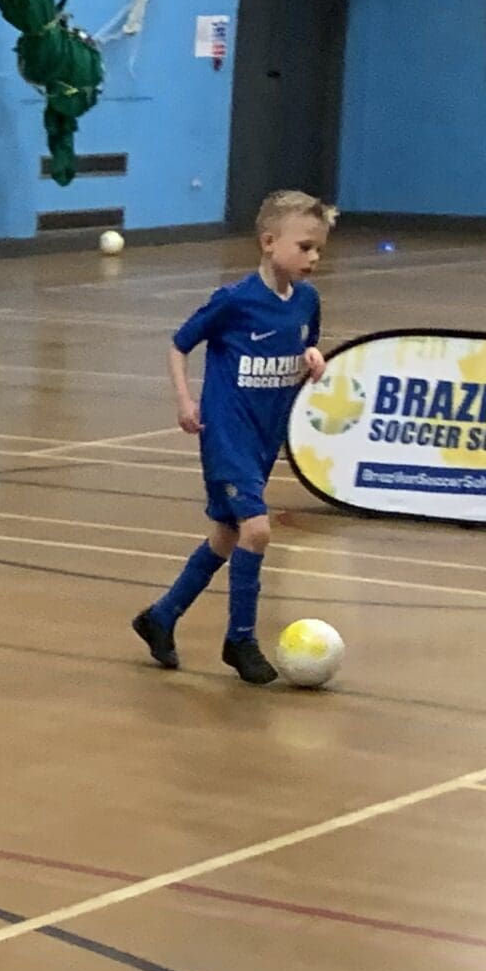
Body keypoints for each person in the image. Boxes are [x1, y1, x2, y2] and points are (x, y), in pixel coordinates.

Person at [133, 191, 333, 684]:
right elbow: (179, 345)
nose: (313, 259)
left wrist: (314, 359)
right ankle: (239, 639)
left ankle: (160, 617)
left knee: (226, 536)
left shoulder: (307, 301)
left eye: (319, 250)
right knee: (257, 530)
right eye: (304, 247)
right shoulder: (235, 301)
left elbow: (306, 344)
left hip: (265, 438)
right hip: (227, 434)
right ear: (269, 242)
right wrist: (185, 403)